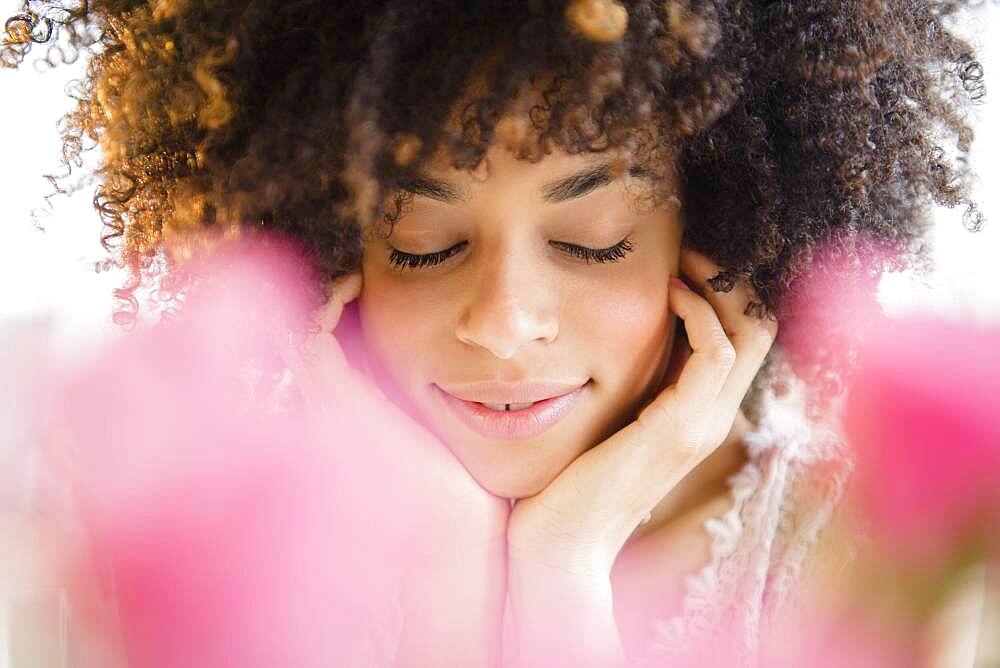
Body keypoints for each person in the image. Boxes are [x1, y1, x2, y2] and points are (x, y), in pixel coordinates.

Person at [1, 0, 988, 665]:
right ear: (325, 245)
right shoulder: (189, 515)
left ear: (714, 242)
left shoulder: (862, 550)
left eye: (590, 239)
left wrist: (560, 565)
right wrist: (448, 565)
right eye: (424, 242)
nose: (505, 325)